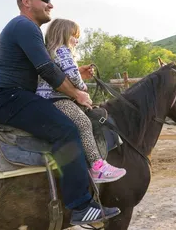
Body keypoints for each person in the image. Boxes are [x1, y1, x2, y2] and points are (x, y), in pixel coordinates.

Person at [0, 0, 120, 225]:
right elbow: (46, 69)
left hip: (13, 97)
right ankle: (80, 205)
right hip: (9, 98)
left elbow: (50, 68)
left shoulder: (26, 29)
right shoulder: (24, 25)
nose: (51, 4)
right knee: (67, 130)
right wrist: (77, 94)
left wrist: (77, 73)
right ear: (26, 1)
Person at [36, 18, 126, 183]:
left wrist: (78, 71)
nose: (76, 40)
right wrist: (83, 88)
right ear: (62, 34)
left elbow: (65, 72)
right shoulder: (62, 50)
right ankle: (97, 166)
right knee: (84, 123)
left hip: (49, 99)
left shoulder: (51, 51)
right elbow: (72, 76)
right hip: (55, 100)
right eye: (73, 35)